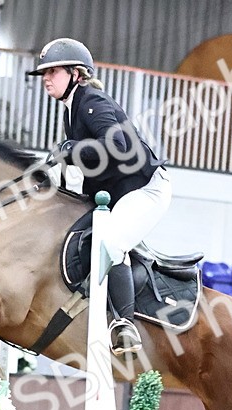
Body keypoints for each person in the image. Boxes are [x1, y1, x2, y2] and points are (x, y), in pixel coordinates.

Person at [28, 38, 171, 356]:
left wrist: (71, 149)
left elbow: (119, 146)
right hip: (117, 193)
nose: (46, 78)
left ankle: (125, 325)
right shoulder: (71, 110)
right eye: (44, 73)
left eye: (53, 71)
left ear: (76, 74)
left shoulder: (93, 101)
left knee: (110, 242)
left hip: (145, 189)